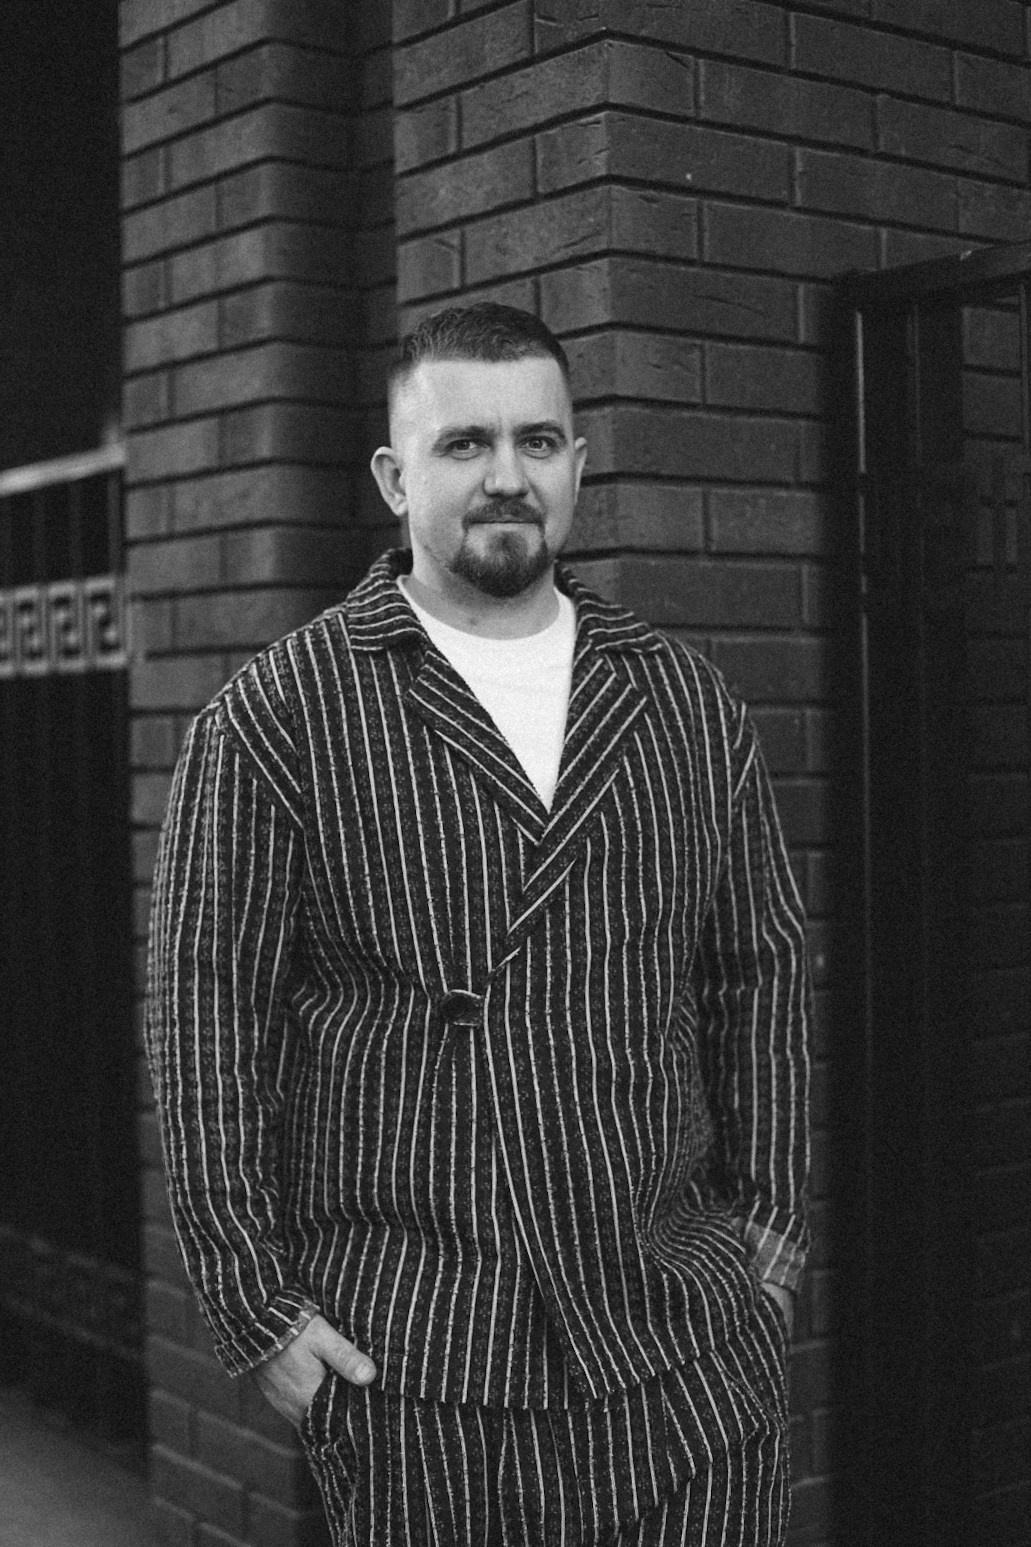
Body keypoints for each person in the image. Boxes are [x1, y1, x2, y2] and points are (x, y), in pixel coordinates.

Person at [146, 302, 811, 1546]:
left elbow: (754, 971)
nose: (506, 474)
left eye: (536, 440)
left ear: (575, 465)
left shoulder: (680, 700)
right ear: (395, 478)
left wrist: (765, 1239)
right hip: (424, 1365)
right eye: (463, 444)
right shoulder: (279, 715)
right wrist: (260, 1311)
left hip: (684, 1350)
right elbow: (203, 1022)